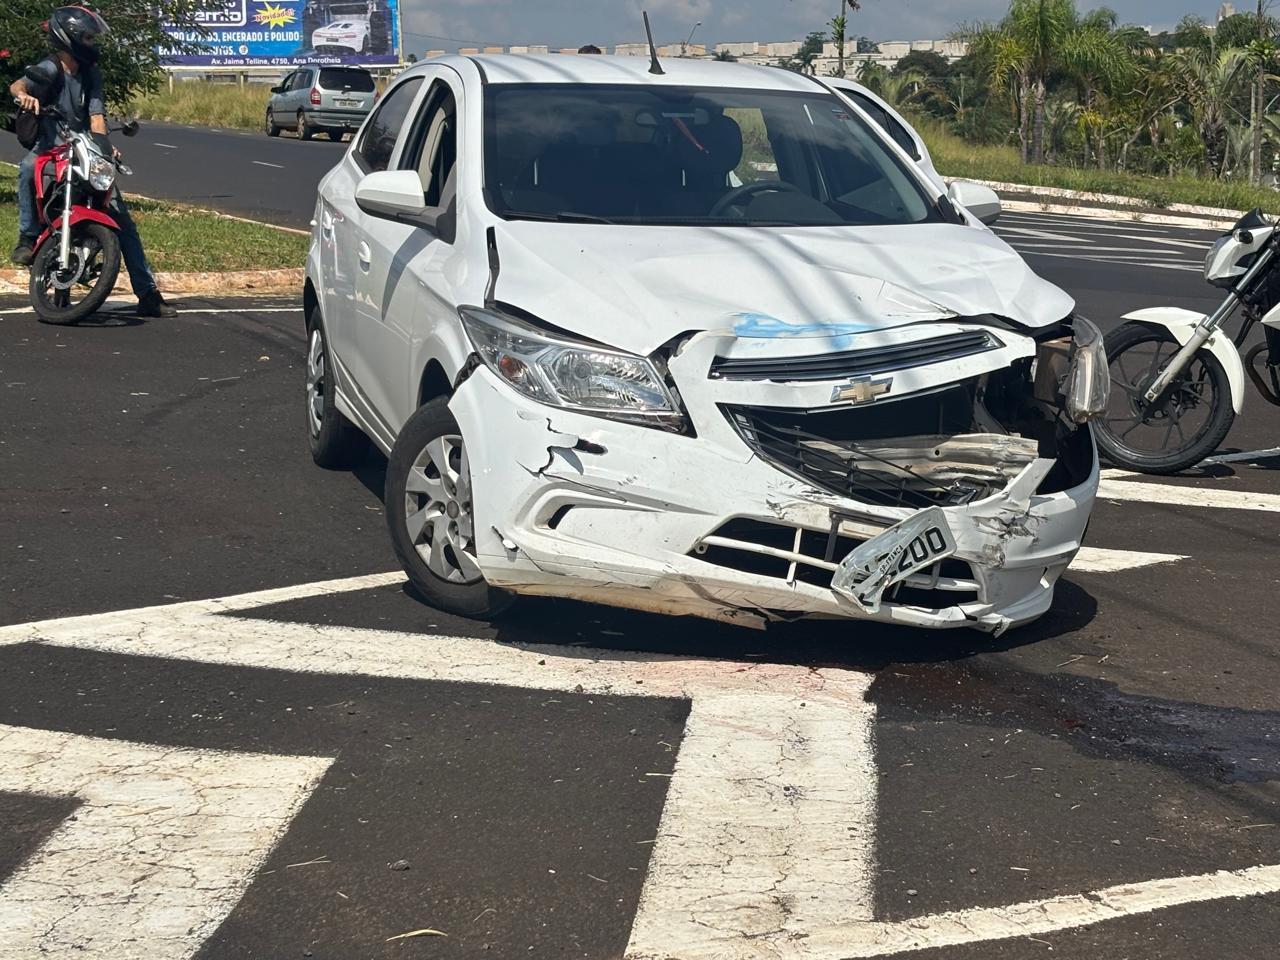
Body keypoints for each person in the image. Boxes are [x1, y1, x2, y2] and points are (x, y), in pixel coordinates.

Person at [8, 5, 175, 317]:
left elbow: (96, 118)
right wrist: (24, 97)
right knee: (28, 168)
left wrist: (104, 148)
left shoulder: (91, 74)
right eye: (86, 37)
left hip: (83, 149)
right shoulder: (50, 68)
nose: (91, 43)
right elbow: (18, 85)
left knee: (121, 216)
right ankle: (27, 238)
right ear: (68, 37)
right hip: (50, 149)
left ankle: (148, 293)